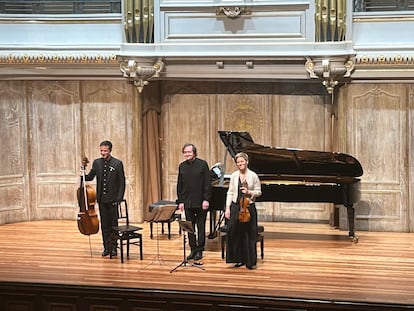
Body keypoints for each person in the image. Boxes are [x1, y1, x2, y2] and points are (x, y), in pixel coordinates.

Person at [85, 140, 126, 257]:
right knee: (104, 224)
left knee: (113, 224)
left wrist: (118, 199)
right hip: (102, 200)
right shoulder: (97, 163)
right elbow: (90, 176)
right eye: (101, 151)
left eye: (105, 151)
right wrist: (83, 172)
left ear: (110, 150)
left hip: (113, 200)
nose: (103, 153)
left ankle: (114, 247)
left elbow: (122, 183)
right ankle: (106, 247)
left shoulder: (117, 163)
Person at [224, 152, 262, 269]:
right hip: (236, 206)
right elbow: (230, 192)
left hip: (248, 207)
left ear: (247, 161)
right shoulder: (234, 175)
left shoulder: (253, 175)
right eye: (238, 162)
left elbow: (259, 192)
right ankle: (238, 259)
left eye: (242, 161)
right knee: (235, 233)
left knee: (249, 234)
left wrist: (249, 192)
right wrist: (227, 208)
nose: (240, 163)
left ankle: (250, 261)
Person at [177, 143, 212, 261]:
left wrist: (206, 199)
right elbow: (179, 185)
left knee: (200, 226)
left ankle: (200, 250)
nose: (187, 154)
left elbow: (208, 184)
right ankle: (192, 249)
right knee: (189, 227)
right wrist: (180, 201)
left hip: (201, 201)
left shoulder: (203, 164)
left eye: (189, 152)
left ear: (194, 153)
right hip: (187, 202)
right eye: (185, 152)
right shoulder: (181, 166)